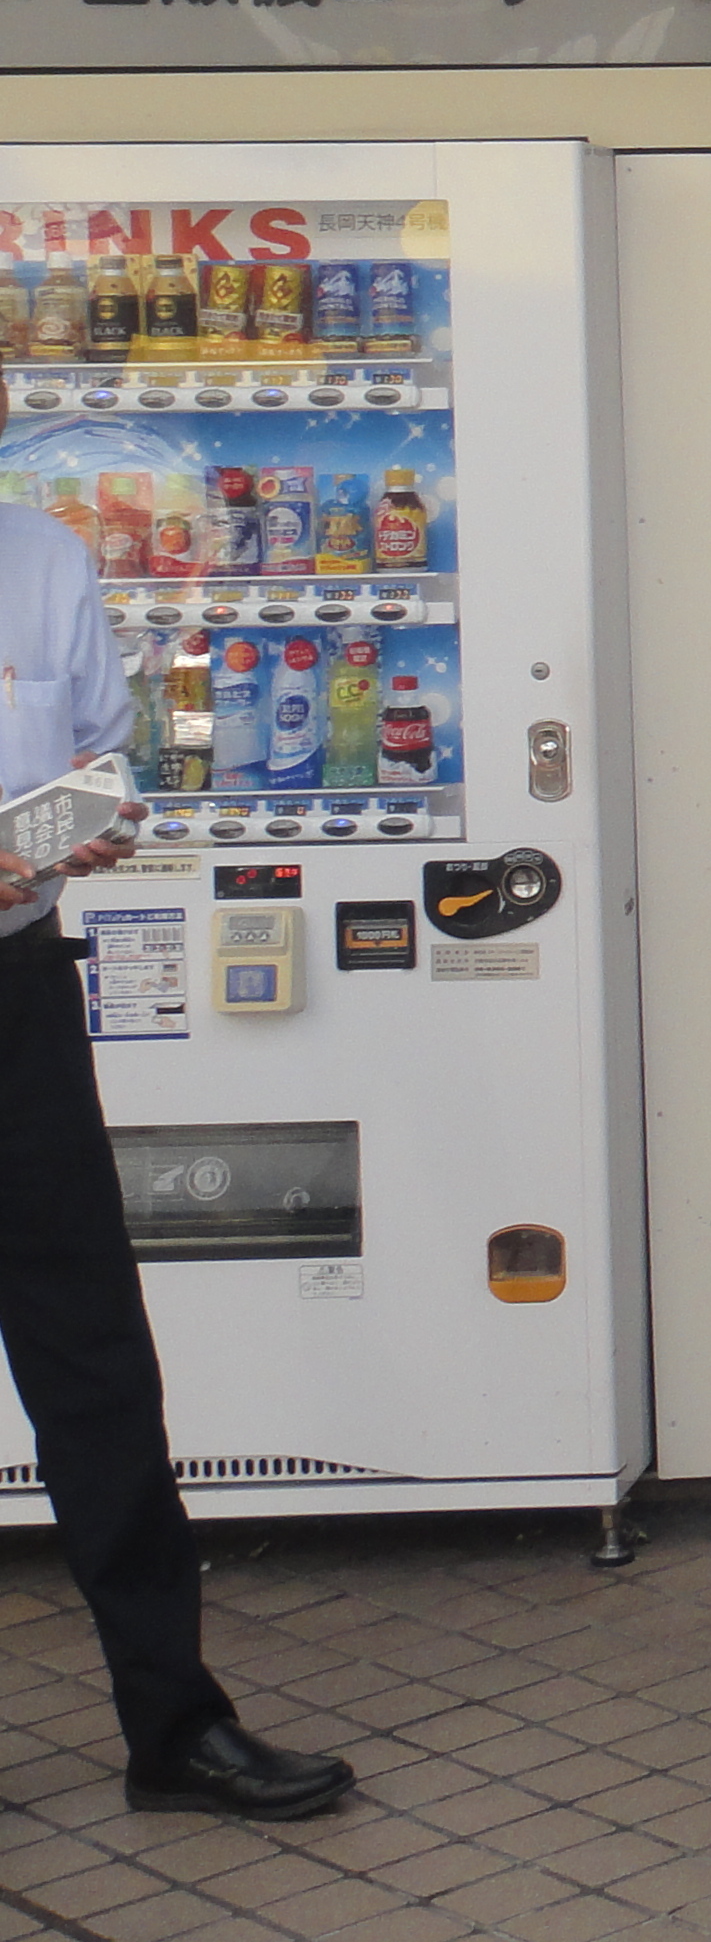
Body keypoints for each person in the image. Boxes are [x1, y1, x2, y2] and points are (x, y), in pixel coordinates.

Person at [0, 501, 353, 1819]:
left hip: (18, 997)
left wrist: (75, 829)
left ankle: (173, 1726)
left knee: (95, 1366)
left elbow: (101, 763)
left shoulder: (40, 557)